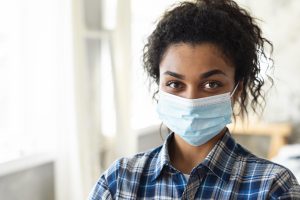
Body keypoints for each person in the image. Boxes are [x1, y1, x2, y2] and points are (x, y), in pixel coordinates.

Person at [89, 0, 300, 199]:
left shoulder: (273, 188)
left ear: (237, 90)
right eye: (175, 84)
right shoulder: (118, 182)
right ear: (159, 86)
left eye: (211, 84)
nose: (191, 100)